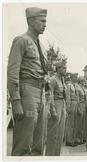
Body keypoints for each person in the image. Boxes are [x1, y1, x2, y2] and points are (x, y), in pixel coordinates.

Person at [7, 7, 48, 156]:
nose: (45, 24)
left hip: (41, 93)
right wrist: (16, 100)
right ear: (30, 21)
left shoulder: (41, 47)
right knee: (23, 144)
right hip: (27, 92)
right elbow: (12, 72)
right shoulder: (21, 41)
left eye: (46, 21)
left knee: (39, 144)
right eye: (42, 21)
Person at [45, 59, 67, 156]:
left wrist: (64, 108)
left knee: (60, 134)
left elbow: (64, 95)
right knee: (53, 134)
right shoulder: (53, 79)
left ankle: (56, 156)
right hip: (56, 105)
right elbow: (50, 95)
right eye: (64, 68)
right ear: (58, 69)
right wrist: (53, 110)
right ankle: (50, 156)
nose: (65, 70)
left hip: (62, 104)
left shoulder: (62, 80)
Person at [65, 73, 78, 147]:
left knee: (74, 123)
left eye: (76, 77)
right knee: (70, 123)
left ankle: (72, 139)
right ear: (71, 77)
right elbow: (68, 96)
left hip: (76, 103)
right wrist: (68, 106)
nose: (76, 78)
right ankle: (68, 140)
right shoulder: (69, 85)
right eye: (75, 77)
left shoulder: (75, 86)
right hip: (71, 103)